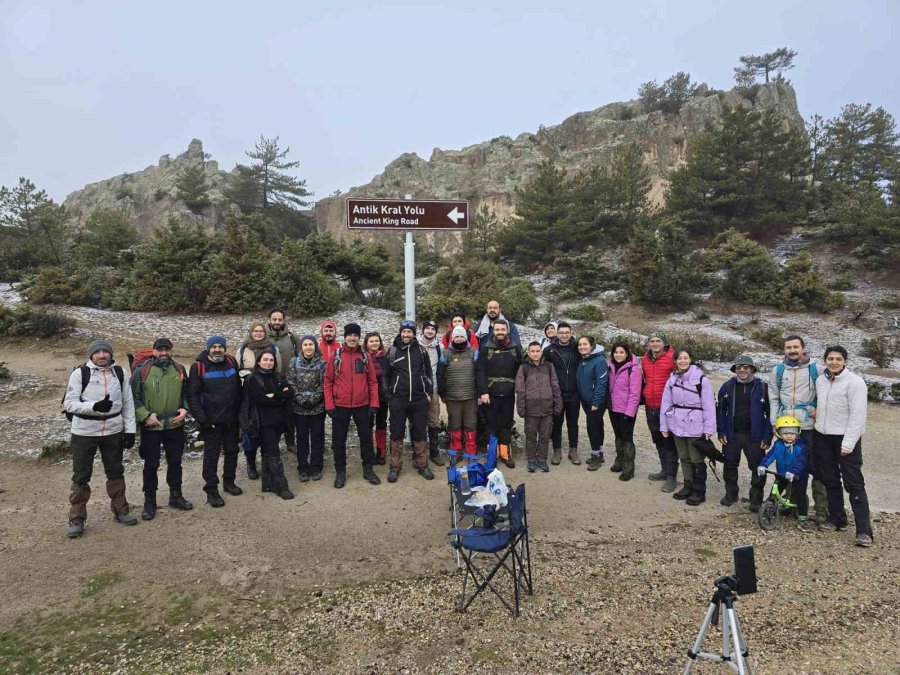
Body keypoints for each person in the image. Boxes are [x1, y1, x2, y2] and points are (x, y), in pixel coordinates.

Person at [63, 340, 137, 537]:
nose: (102, 355)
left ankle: (121, 510)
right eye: (98, 352)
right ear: (91, 355)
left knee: (115, 471)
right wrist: (93, 407)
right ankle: (77, 518)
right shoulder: (80, 373)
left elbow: (128, 403)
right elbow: (69, 404)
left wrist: (130, 431)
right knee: (81, 475)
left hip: (113, 430)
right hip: (84, 432)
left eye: (106, 352)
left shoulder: (120, 373)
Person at [812, 345, 872, 548]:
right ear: (825, 360)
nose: (834, 362)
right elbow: (825, 405)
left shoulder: (855, 383)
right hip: (823, 436)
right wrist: (817, 415)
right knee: (830, 479)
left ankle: (864, 530)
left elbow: (858, 415)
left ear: (845, 361)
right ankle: (838, 517)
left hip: (846, 439)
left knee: (854, 483)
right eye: (830, 358)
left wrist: (848, 443)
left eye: (838, 359)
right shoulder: (821, 380)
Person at [131, 337, 193, 520]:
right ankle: (149, 500)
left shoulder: (179, 369)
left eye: (167, 349)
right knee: (151, 464)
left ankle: (176, 495)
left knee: (175, 462)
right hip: (152, 426)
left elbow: (186, 393)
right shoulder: (142, 371)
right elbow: (132, 398)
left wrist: (184, 408)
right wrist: (145, 415)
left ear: (171, 350)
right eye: (160, 350)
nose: (164, 353)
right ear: (154, 351)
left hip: (174, 424)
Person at [769, 335, 827, 523]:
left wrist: (818, 413)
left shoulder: (816, 369)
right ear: (784, 350)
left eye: (796, 347)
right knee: (787, 465)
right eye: (788, 347)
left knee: (816, 469)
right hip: (786, 427)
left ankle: (821, 511)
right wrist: (773, 421)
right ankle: (792, 504)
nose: (792, 350)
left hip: (810, 427)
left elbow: (827, 395)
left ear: (803, 348)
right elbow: (774, 398)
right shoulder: (778, 371)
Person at [187, 335, 243, 508]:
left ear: (225, 349)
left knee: (232, 451)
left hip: (231, 419)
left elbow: (238, 389)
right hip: (211, 422)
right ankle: (211, 490)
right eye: (214, 347)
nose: (217, 349)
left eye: (220, 346)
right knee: (211, 456)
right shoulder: (199, 367)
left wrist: (240, 414)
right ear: (208, 348)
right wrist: (202, 419)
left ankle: (229, 482)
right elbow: (192, 396)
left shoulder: (232, 362)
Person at [324, 322, 381, 488]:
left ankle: (368, 469)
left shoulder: (364, 356)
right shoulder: (335, 356)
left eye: (355, 335)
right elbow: (327, 381)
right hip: (340, 405)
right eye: (350, 335)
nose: (352, 338)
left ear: (359, 337)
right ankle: (340, 472)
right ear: (345, 337)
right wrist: (329, 405)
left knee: (366, 439)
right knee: (338, 440)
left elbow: (372, 381)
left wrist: (374, 403)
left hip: (362, 405)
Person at [660, 349, 716, 506]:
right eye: (679, 358)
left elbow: (709, 405)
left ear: (690, 359)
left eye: (686, 358)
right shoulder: (672, 380)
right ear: (675, 361)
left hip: (696, 425)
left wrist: (708, 428)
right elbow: (666, 403)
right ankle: (688, 485)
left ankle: (699, 490)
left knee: (696, 458)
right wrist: (664, 425)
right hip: (677, 423)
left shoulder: (701, 380)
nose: (682, 361)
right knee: (684, 457)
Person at [716, 355, 773, 509]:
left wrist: (767, 436)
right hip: (732, 435)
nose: (741, 370)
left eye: (745, 367)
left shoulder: (763, 388)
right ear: (734, 369)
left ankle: (756, 499)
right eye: (738, 367)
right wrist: (721, 432)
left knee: (758, 469)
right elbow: (720, 411)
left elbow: (771, 414)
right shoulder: (727, 386)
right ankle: (731, 494)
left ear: (752, 369)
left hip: (755, 436)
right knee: (729, 466)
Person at [383, 320, 435, 482]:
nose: (406, 334)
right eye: (404, 331)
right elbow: (385, 375)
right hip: (398, 399)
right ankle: (395, 467)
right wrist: (389, 396)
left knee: (420, 432)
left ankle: (422, 465)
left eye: (409, 332)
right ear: (400, 332)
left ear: (414, 333)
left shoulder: (421, 351)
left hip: (419, 399)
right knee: (397, 433)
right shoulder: (392, 351)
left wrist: (429, 393)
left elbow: (428, 374)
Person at [239, 352, 294, 500]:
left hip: (279, 421)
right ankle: (281, 487)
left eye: (271, 360)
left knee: (268, 451)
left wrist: (273, 395)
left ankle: (268, 483)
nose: (268, 362)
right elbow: (260, 399)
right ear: (259, 362)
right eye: (265, 360)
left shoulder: (279, 377)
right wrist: (278, 396)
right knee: (274, 452)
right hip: (262, 422)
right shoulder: (252, 379)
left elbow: (290, 392)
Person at [236, 321, 282, 480]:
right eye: (255, 331)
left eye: (261, 331)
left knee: (267, 434)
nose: (258, 333)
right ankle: (250, 463)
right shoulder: (242, 350)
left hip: (268, 397)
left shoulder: (273, 349)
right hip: (248, 395)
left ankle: (266, 464)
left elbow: (278, 371)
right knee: (251, 432)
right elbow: (237, 372)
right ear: (251, 332)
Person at [475, 318, 523, 468]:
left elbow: (520, 371)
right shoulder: (486, 349)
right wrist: (483, 392)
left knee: (506, 424)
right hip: (491, 393)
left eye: (503, 330)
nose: (500, 332)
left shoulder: (515, 349)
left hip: (508, 394)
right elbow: (480, 371)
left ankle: (505, 453)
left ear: (507, 331)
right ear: (493, 331)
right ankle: (492, 454)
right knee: (491, 425)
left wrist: (517, 388)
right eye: (497, 330)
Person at [758, 416, 813, 532]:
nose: (789, 435)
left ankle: (803, 519)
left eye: (792, 433)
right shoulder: (778, 445)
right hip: (782, 473)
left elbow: (801, 461)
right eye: (785, 433)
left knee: (800, 495)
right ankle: (769, 508)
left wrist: (794, 472)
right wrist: (763, 465)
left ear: (797, 433)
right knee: (775, 489)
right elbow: (770, 456)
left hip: (798, 475)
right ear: (779, 433)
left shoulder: (801, 447)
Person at [516, 341, 562, 473]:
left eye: (538, 351)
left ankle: (542, 459)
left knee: (544, 436)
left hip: (547, 409)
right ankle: (531, 459)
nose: (535, 354)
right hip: (531, 410)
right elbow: (520, 389)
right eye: (532, 351)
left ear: (541, 352)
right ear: (528, 353)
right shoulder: (523, 368)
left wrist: (558, 403)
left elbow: (555, 386)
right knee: (531, 436)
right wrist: (521, 407)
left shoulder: (548, 366)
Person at [642, 331, 679, 492]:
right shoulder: (644, 360)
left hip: (668, 408)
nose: (655, 343)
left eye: (658, 341)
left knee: (669, 442)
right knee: (657, 440)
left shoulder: (673, 358)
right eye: (652, 341)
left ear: (664, 343)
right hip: (650, 406)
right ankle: (664, 470)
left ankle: (672, 477)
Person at [437, 326, 480, 463]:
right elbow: (440, 374)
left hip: (471, 396)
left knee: (471, 424)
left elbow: (479, 374)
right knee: (454, 424)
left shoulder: (474, 352)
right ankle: (455, 451)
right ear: (453, 338)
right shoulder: (446, 353)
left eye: (462, 336)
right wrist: (442, 392)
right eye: (457, 336)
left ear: (466, 338)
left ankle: (470, 451)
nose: (459, 339)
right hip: (452, 397)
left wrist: (480, 393)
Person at [287, 335, 326, 482]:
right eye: (305, 345)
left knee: (317, 438)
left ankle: (316, 467)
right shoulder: (293, 362)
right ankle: (302, 467)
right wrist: (300, 399)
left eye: (311, 344)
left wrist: (314, 399)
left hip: (317, 408)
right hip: (299, 408)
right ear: (301, 347)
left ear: (315, 346)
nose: (308, 347)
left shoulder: (322, 363)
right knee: (302, 438)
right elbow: (290, 382)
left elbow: (324, 383)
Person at [544, 321, 582, 465]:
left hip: (574, 393)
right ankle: (557, 451)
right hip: (557, 394)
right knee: (557, 423)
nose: (564, 335)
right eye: (561, 333)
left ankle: (573, 450)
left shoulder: (577, 348)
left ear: (571, 333)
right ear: (557, 334)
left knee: (573, 423)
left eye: (567, 332)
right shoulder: (549, 350)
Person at [606, 341, 642, 480]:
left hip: (627, 411)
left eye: (621, 352)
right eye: (616, 352)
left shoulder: (633, 370)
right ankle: (619, 462)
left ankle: (628, 469)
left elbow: (635, 394)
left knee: (627, 438)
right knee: (618, 436)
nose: (618, 355)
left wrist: (630, 412)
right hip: (613, 408)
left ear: (627, 353)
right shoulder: (611, 366)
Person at [266, 309, 299, 453]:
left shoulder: (292, 337)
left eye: (280, 320)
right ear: (269, 320)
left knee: (290, 414)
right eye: (274, 319)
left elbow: (302, 353)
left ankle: (290, 441)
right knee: (272, 413)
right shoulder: (262, 336)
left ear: (284, 321)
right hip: (268, 381)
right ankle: (272, 444)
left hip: (288, 381)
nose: (277, 322)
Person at [575, 336, 608, 470]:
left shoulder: (599, 360)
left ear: (592, 345)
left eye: (585, 344)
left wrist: (596, 402)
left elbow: (602, 383)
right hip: (587, 400)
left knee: (592, 426)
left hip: (596, 401)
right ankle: (600, 453)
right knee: (598, 425)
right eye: (580, 344)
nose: (582, 347)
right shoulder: (585, 360)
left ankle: (595, 456)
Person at [418, 319, 445, 467]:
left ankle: (434, 452)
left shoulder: (439, 348)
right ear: (423, 330)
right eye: (427, 328)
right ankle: (418, 454)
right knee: (417, 422)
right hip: (416, 391)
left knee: (433, 421)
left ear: (435, 332)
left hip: (433, 390)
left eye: (432, 329)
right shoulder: (415, 345)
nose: (429, 331)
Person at [364, 331, 389, 465]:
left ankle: (381, 452)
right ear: (366, 344)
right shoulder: (363, 357)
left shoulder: (386, 357)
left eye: (376, 341)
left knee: (381, 423)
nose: (374, 343)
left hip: (382, 396)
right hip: (367, 397)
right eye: (371, 341)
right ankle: (369, 452)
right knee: (367, 424)